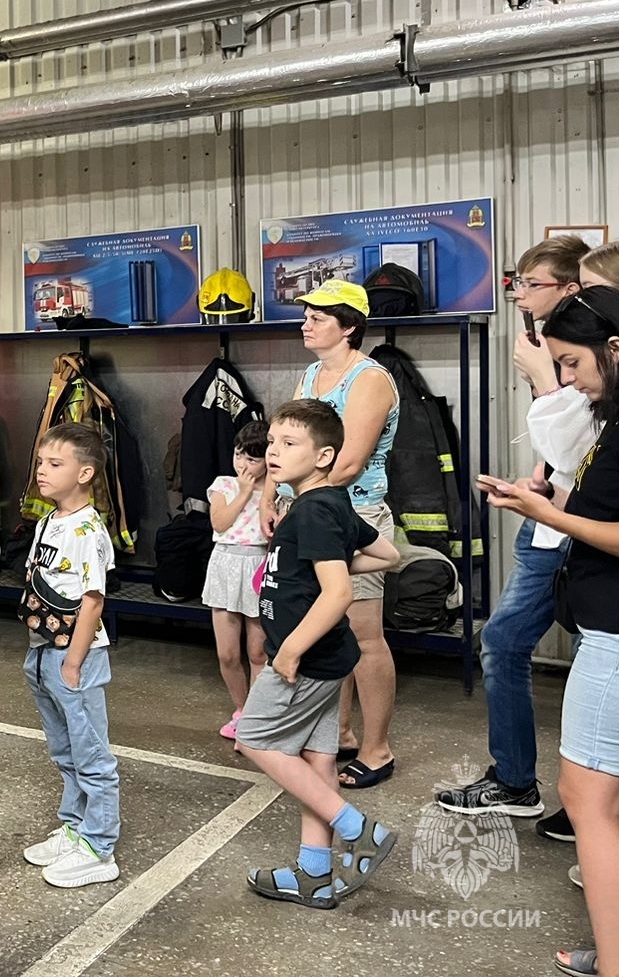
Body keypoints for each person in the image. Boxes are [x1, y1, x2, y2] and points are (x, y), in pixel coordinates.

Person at [476, 286, 619, 977]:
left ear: (614, 348)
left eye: (571, 363)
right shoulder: (611, 421)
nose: (567, 379)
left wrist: (554, 517)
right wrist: (536, 498)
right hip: (605, 624)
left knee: (587, 799)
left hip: (618, 634)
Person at [436, 236, 588, 833]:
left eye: (531, 285)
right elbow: (568, 452)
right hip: (549, 520)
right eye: (516, 284)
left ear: (570, 288)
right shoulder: (546, 344)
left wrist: (549, 384)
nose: (520, 296)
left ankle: (589, 802)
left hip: (579, 529)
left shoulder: (582, 352)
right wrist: (539, 484)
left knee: (589, 655)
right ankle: (518, 781)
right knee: (502, 642)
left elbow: (590, 443)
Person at [238, 400, 401, 908]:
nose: (274, 453)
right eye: (271, 444)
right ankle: (314, 873)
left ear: (325, 455)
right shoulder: (330, 506)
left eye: (290, 444)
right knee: (318, 760)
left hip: (305, 661)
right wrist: (323, 567)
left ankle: (359, 829)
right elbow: (388, 555)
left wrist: (288, 651)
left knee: (254, 738)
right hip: (330, 660)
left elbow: (338, 595)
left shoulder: (313, 511)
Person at [263, 279, 401, 790]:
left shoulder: (370, 380)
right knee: (326, 628)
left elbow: (347, 461)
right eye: (307, 315)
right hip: (308, 514)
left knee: (365, 637)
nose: (306, 323)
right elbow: (289, 446)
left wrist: (294, 501)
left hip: (352, 519)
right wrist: (272, 497)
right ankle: (338, 732)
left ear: (349, 328)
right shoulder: (312, 373)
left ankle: (377, 747)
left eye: (318, 317)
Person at [19, 423, 122, 888]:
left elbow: (92, 601)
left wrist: (74, 663)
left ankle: (100, 846)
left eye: (54, 464)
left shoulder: (87, 529)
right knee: (65, 751)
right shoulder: (47, 520)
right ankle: (74, 826)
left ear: (85, 473)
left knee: (92, 754)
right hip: (44, 653)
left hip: (74, 659)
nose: (42, 470)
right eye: (41, 462)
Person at [205, 420, 271, 740]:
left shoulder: (277, 492)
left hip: (259, 566)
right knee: (227, 653)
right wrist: (244, 491)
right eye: (238, 454)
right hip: (225, 566)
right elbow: (219, 523)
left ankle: (254, 719)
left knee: (258, 652)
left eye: (252, 459)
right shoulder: (224, 485)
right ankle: (241, 709)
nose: (242, 464)